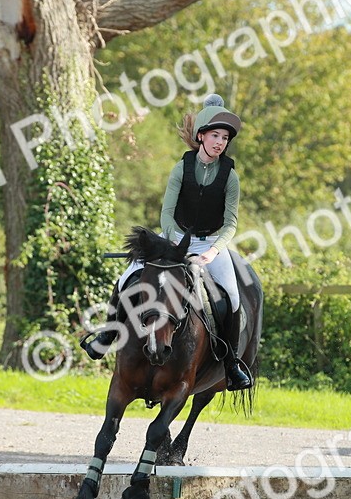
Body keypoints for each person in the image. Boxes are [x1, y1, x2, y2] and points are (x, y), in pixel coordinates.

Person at [80, 93, 253, 390]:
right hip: (172, 239)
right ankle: (106, 336)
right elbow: (167, 215)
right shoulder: (180, 169)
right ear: (201, 136)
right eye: (215, 135)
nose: (220, 142)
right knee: (126, 279)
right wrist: (175, 247)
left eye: (224, 138)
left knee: (234, 299)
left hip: (212, 244)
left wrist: (212, 252)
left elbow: (231, 224)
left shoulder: (230, 177)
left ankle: (231, 364)